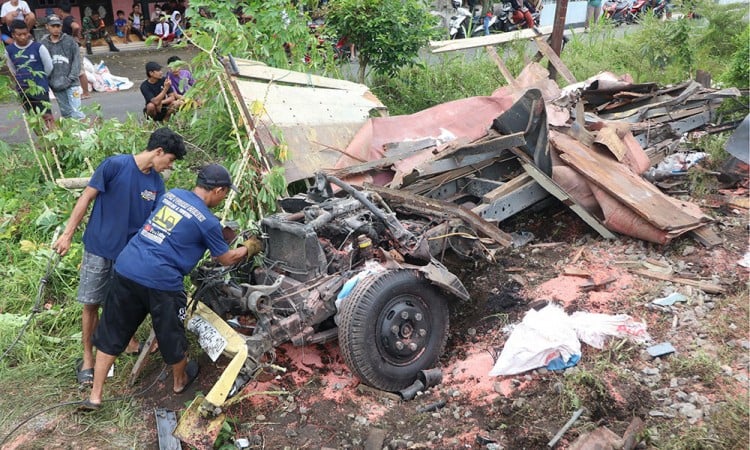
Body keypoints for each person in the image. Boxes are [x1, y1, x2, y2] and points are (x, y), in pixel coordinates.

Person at [78, 164, 258, 411]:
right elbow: (225, 259)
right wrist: (249, 247)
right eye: (225, 193)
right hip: (162, 282)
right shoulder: (208, 222)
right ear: (218, 190)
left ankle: (95, 396)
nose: (224, 197)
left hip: (127, 267)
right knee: (172, 333)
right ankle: (179, 381)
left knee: (112, 331)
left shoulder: (171, 195)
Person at [53, 127, 187, 387]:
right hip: (99, 247)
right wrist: (67, 235)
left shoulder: (156, 184)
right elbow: (86, 198)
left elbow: (156, 223)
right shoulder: (115, 165)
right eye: (169, 160)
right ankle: (88, 359)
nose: (168, 166)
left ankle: (126, 341)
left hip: (130, 257)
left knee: (122, 303)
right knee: (91, 303)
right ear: (158, 152)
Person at [4, 20, 54, 129]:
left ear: (28, 33)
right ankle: (42, 141)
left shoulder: (39, 47)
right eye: (19, 35)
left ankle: (54, 141)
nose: (23, 37)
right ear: (13, 35)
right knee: (33, 118)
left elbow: (48, 67)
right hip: (23, 90)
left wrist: (41, 80)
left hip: (40, 88)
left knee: (47, 116)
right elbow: (12, 70)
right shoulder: (9, 50)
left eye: (25, 34)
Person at [41, 14, 85, 120]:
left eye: (58, 26)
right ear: (47, 26)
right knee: (66, 113)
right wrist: (49, 81)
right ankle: (71, 135)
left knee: (77, 112)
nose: (56, 29)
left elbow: (77, 61)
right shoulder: (43, 44)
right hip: (56, 85)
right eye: (53, 26)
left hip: (72, 83)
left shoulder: (70, 41)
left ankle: (82, 135)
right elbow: (43, 64)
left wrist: (71, 78)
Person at [59, 1, 91, 99]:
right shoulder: (71, 18)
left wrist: (73, 36)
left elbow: (76, 27)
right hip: (74, 48)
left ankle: (86, 93)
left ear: (60, 11)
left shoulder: (67, 20)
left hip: (76, 48)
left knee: (80, 71)